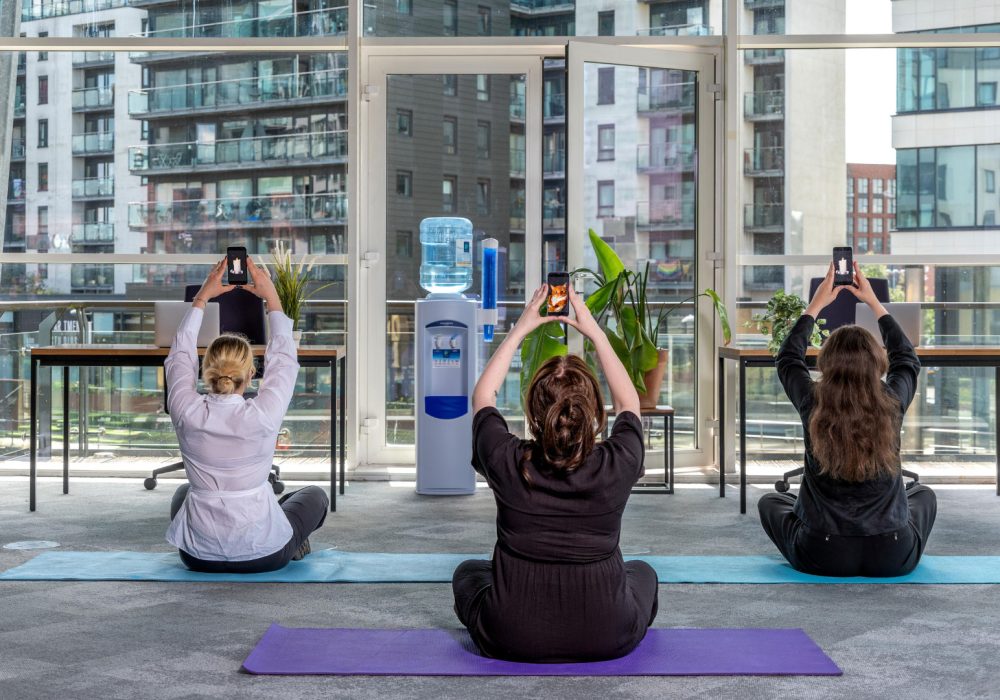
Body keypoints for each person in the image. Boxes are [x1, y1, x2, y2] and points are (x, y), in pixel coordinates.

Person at [452, 285, 658, 663]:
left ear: (534, 414)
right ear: (595, 413)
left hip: (511, 636)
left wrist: (520, 329)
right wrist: (593, 331)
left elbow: (483, 397)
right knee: (643, 572)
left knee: (468, 573)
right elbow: (629, 403)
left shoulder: (508, 458)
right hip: (607, 633)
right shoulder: (619, 461)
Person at [757, 262, 937, 577]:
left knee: (771, 501)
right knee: (924, 495)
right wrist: (874, 303)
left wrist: (816, 304)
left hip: (822, 552)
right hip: (893, 553)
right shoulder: (891, 400)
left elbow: (787, 357)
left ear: (827, 361)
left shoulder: (812, 400)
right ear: (876, 362)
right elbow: (907, 359)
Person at [165, 257, 328, 573]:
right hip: (264, 554)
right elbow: (284, 360)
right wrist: (272, 297)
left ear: (205, 371)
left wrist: (202, 298)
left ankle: (266, 515)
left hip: (197, 557)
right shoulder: (263, 414)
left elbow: (178, 356)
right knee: (315, 496)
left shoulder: (185, 409)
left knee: (185, 491)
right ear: (251, 373)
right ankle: (287, 536)